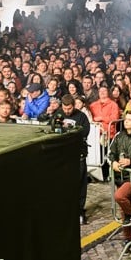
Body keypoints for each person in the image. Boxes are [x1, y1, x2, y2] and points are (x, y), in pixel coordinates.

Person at [50, 94, 92, 224]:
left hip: (78, 154)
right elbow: (54, 129)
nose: (67, 111)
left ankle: (79, 210)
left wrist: (69, 128)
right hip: (63, 154)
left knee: (80, 184)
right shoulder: (58, 114)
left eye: (69, 108)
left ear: (73, 105)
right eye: (65, 108)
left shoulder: (81, 116)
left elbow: (84, 132)